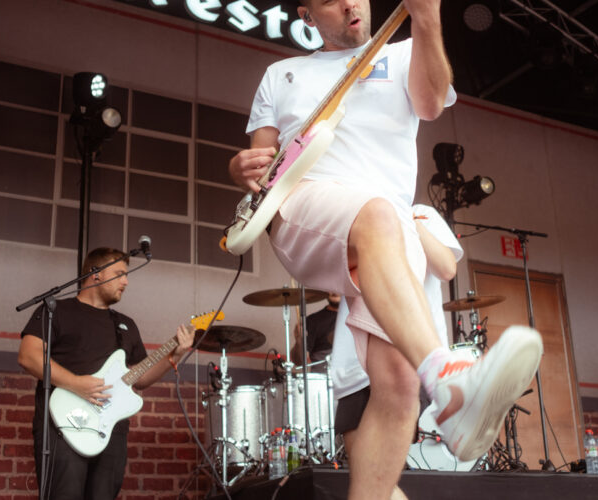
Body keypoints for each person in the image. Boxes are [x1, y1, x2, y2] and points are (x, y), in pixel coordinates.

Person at [229, 0, 542, 495]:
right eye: (331, 0)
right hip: (305, 207)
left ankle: (429, 411)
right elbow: (260, 166)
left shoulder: (402, 53)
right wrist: (239, 168)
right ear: (307, 16)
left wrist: (428, 17)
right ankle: (451, 383)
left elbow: (431, 104)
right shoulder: (281, 73)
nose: (350, 3)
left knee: (397, 386)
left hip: (389, 231)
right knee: (373, 211)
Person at [18, 247, 194, 500]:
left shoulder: (126, 325)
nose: (126, 281)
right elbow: (28, 356)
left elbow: (140, 378)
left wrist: (174, 355)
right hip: (63, 425)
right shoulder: (56, 311)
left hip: (111, 430)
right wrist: (77, 384)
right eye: (120, 274)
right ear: (96, 274)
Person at [331, 204, 462, 500]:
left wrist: (407, 222)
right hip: (352, 361)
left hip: (405, 352)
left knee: (382, 471)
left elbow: (446, 267)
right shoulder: (352, 205)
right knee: (369, 477)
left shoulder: (422, 212)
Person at [291, 293, 341, 370]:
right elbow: (299, 362)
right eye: (331, 285)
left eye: (338, 285)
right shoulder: (312, 321)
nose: (334, 290)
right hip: (322, 379)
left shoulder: (358, 319)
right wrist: (299, 342)